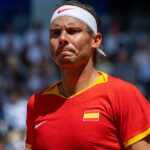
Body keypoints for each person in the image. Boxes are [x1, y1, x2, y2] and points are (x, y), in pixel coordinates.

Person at [25, 1, 150, 150]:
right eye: (55, 33)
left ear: (95, 40)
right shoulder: (36, 103)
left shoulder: (123, 95)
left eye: (72, 31)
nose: (62, 38)